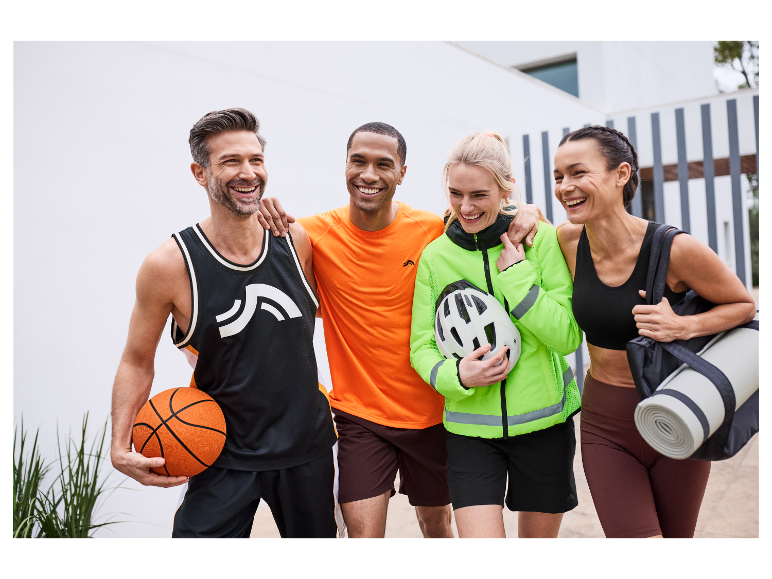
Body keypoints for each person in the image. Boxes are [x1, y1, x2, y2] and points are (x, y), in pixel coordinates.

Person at [258, 122, 543, 539]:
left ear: (402, 173)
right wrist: (262, 211)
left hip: (433, 412)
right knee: (362, 531)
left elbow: (490, 214)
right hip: (359, 416)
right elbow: (252, 245)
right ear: (346, 166)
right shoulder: (312, 234)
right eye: (359, 161)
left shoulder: (431, 228)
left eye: (383, 164)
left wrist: (529, 210)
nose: (369, 174)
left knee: (436, 525)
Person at [110, 108, 339, 539]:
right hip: (219, 450)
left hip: (306, 448)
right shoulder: (169, 265)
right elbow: (136, 360)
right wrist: (120, 446)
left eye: (256, 159)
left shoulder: (296, 240)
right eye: (231, 161)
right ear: (200, 173)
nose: (248, 172)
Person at [553, 125, 757, 539]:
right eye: (558, 177)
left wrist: (684, 325)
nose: (565, 187)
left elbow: (743, 305)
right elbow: (516, 218)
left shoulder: (675, 248)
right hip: (604, 423)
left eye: (577, 173)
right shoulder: (567, 242)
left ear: (621, 174)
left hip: (678, 408)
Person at [410, 131, 582, 539]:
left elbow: (568, 336)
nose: (465, 207)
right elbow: (421, 345)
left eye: (479, 195)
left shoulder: (539, 240)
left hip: (545, 429)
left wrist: (518, 281)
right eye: (456, 193)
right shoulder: (435, 257)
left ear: (506, 191)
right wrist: (457, 377)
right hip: (470, 434)